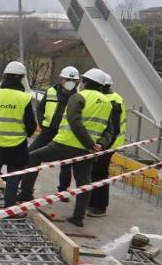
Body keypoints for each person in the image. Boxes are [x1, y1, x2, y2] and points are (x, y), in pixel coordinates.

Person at [17, 68, 115, 228]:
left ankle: (26, 194)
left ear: (86, 82)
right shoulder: (107, 103)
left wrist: (89, 143)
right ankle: (78, 217)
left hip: (65, 144)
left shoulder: (79, 96)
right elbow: (109, 130)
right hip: (87, 151)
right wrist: (99, 145)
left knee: (33, 156)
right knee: (84, 182)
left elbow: (74, 121)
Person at [0, 61, 37, 209]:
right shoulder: (24, 98)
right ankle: (9, 208)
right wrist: (24, 134)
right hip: (17, 144)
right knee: (13, 176)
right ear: (21, 77)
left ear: (5, 76)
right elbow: (31, 125)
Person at [32, 66, 79, 193]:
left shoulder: (79, 96)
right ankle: (26, 188)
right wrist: (41, 121)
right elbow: (40, 108)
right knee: (31, 155)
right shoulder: (51, 91)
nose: (70, 82)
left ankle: (63, 191)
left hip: (66, 134)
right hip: (48, 131)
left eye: (73, 80)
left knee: (66, 164)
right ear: (61, 79)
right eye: (67, 79)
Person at [87, 74, 127, 217]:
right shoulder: (107, 98)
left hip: (108, 145)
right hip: (103, 144)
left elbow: (114, 130)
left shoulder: (113, 102)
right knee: (94, 172)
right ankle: (91, 202)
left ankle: (99, 206)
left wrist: (102, 147)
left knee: (100, 173)